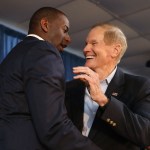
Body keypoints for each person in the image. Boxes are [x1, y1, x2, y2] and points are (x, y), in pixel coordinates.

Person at [0, 7, 102, 150]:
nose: (69, 38)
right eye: (65, 30)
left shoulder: (14, 55)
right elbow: (53, 126)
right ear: (45, 25)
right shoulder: (44, 52)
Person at [65, 23, 150, 150]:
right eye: (86, 43)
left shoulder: (140, 86)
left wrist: (103, 100)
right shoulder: (70, 88)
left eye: (93, 43)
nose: (86, 49)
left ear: (115, 50)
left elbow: (145, 134)